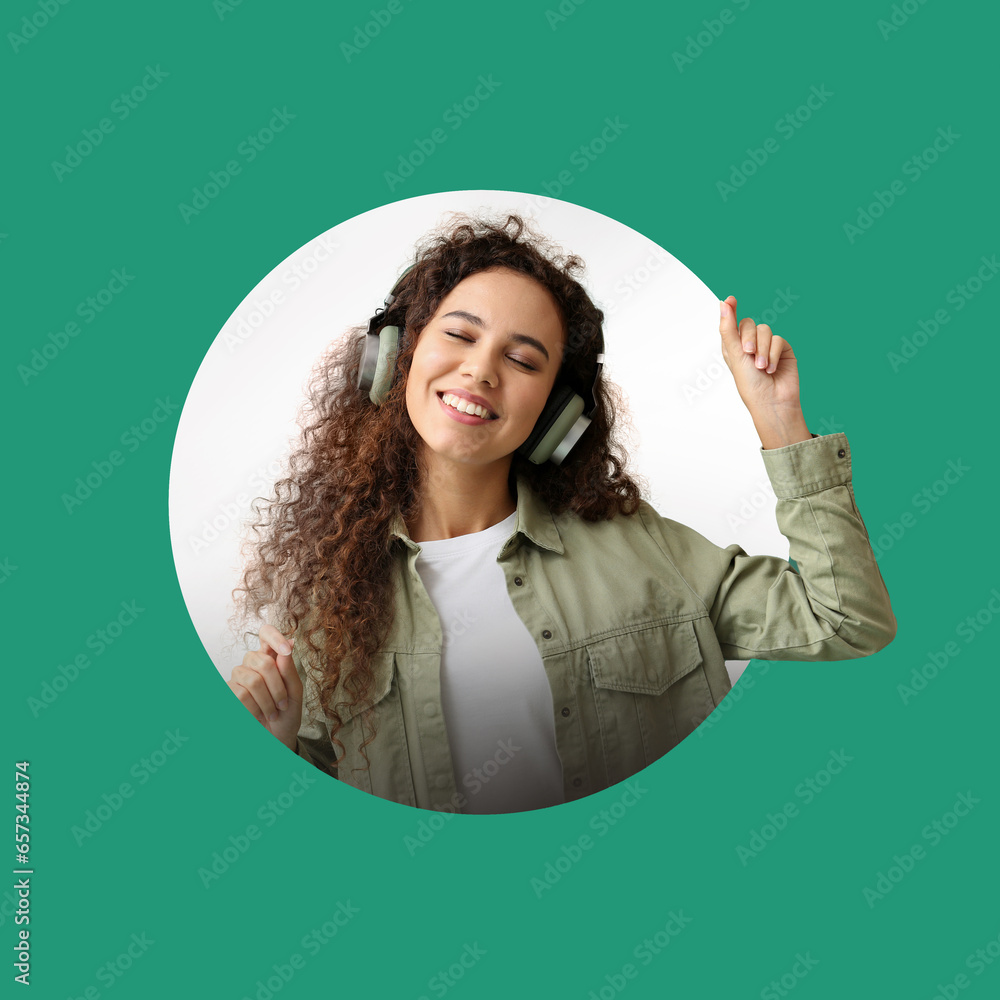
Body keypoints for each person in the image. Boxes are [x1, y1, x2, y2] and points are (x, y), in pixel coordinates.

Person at [227, 212, 896, 815]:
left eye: (522, 359)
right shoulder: (327, 604)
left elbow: (847, 620)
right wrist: (277, 748)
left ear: (557, 416)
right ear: (395, 357)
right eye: (459, 335)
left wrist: (781, 422)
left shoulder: (647, 554)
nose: (480, 371)